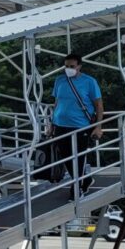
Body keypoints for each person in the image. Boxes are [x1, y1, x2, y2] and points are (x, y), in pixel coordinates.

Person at [48, 52, 104, 192]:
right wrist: (51, 124)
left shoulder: (89, 82)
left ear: (79, 66)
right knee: (65, 156)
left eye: (72, 66)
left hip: (80, 126)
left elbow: (98, 105)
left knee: (78, 158)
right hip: (60, 124)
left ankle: (76, 188)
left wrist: (98, 126)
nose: (69, 69)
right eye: (66, 66)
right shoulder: (59, 80)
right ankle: (84, 179)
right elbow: (57, 102)